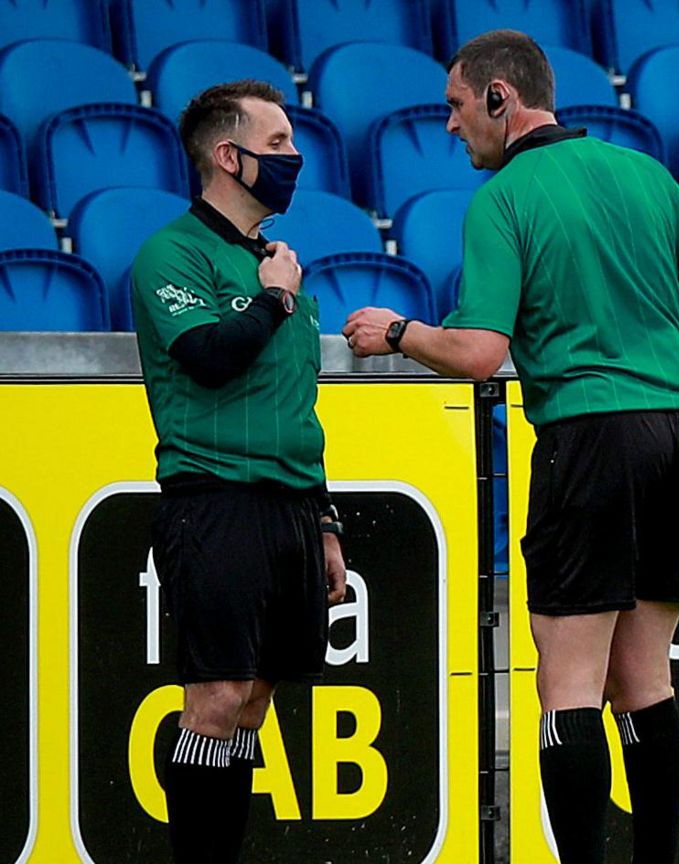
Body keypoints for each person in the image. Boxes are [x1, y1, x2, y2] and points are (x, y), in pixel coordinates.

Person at [342, 29, 679, 864]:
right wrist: (638, 339)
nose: (451, 128)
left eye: (457, 108)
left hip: (592, 434)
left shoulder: (504, 197)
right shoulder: (642, 169)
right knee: (645, 682)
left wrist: (397, 330)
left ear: (501, 98)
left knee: (566, 686)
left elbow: (481, 351)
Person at [131, 80, 347, 863]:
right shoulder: (174, 253)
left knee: (256, 699)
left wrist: (324, 522)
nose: (295, 156)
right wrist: (273, 303)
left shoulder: (274, 267)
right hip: (214, 501)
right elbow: (208, 357)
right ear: (230, 156)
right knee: (217, 698)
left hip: (289, 508)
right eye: (279, 143)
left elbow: (296, 407)